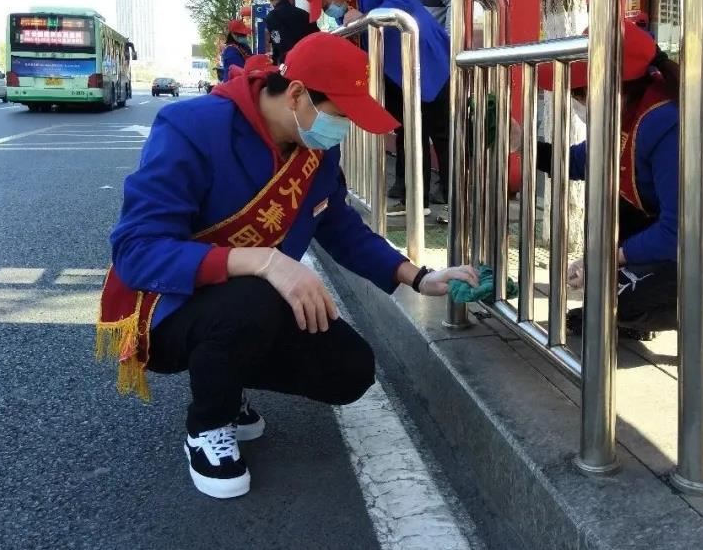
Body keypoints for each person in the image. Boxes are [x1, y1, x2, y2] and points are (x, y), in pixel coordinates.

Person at [99, 33, 478, 499]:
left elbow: (338, 226)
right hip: (168, 306)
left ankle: (227, 377)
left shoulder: (315, 147)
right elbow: (136, 251)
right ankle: (208, 425)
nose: (343, 130)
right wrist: (264, 261)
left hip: (245, 301)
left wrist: (418, 276)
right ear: (297, 94)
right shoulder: (193, 127)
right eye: (340, 116)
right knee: (256, 295)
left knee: (350, 368)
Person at [528, 20, 703, 372]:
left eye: (579, 93)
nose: (576, 103)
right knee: (603, 294)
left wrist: (606, 259)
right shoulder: (631, 110)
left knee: (609, 300)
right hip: (702, 243)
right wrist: (521, 144)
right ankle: (646, 312)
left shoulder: (670, 125)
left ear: (612, 87)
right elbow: (582, 161)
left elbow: (679, 231)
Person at [298, 0, 452, 220]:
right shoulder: (345, 15)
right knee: (408, 132)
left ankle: (456, 201)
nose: (328, 12)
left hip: (428, 63)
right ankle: (414, 198)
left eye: (325, 6)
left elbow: (402, 2)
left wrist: (367, 16)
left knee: (442, 135)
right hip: (396, 75)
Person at [264, 0, 320, 65]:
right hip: (312, 62)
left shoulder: (272, 17)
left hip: (290, 66)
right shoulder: (305, 14)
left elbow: (279, 47)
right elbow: (317, 39)